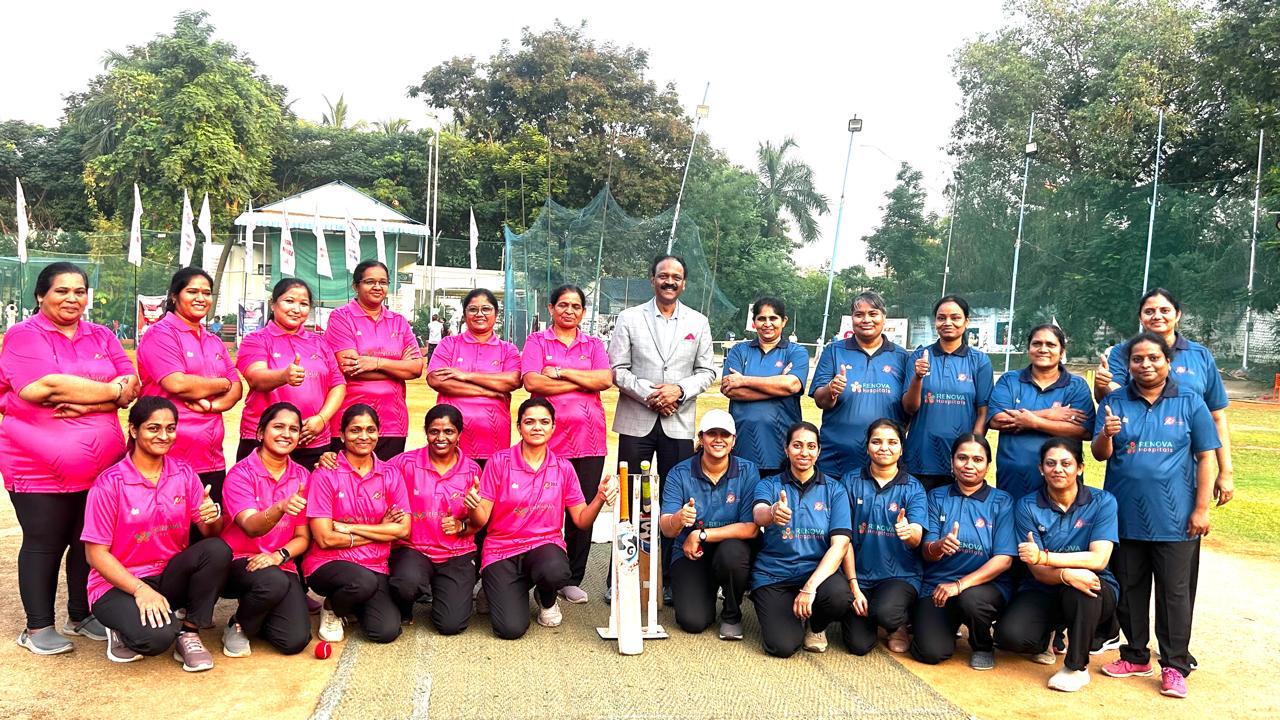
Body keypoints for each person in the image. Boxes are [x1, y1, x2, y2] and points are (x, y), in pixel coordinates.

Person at [0, 261, 138, 655]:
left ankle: (81, 614)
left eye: (79, 291)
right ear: (41, 295)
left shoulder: (102, 335)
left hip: (102, 467)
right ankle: (37, 626)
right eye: (61, 291)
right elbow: (43, 388)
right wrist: (109, 393)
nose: (72, 299)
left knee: (88, 540)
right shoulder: (24, 335)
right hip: (37, 466)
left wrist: (98, 398)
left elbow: (132, 384)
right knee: (45, 541)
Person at [1093, 332, 1218, 699]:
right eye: (1137, 359)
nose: (1145, 364)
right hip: (1125, 514)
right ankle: (1135, 655)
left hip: (1175, 518)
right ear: (1128, 364)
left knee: (1173, 594)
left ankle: (1175, 665)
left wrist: (1201, 508)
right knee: (1130, 588)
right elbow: (1100, 454)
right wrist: (1107, 434)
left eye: (1153, 358)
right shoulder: (1114, 401)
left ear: (1168, 362)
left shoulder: (1190, 401)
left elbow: (1206, 456)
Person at [82, 397, 231, 670]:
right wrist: (140, 590)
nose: (164, 436)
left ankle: (189, 632)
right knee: (156, 639)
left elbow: (211, 533)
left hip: (167, 575)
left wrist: (212, 517)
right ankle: (117, 627)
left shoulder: (184, 473)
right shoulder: (109, 484)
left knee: (217, 550)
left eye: (170, 428)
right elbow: (95, 554)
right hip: (117, 584)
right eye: (154, 428)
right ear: (133, 429)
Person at [465, 398, 617, 640]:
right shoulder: (499, 461)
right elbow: (481, 519)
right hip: (501, 550)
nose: (537, 427)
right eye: (529, 422)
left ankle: (546, 598)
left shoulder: (563, 467)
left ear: (553, 427)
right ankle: (495, 587)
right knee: (510, 629)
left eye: (544, 422)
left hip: (544, 547)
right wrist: (473, 506)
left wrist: (599, 498)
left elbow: (581, 521)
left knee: (555, 570)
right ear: (519, 427)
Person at [995, 438, 1120, 693]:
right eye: (1050, 464)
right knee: (1011, 636)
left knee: (1084, 585)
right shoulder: (1027, 505)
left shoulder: (1103, 501)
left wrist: (1046, 558)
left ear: (1080, 468)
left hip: (1093, 588)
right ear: (1041, 469)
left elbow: (1098, 560)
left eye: (1066, 463)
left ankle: (1076, 667)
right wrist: (1065, 574)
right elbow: (1038, 572)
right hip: (1043, 587)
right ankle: (1050, 633)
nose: (1058, 469)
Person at [1094, 288, 1234, 507]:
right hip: (1133, 458)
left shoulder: (1200, 355)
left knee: (1183, 519)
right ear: (1140, 317)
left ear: (1178, 315)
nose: (1157, 316)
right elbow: (1112, 398)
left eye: (1164, 310)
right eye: (1149, 311)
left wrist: (1226, 472)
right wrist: (1101, 384)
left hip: (1184, 466)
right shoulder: (1123, 352)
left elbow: (1216, 416)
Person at [520, 284, 613, 604]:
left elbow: (604, 380)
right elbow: (532, 381)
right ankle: (536, 571)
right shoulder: (537, 341)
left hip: (589, 441)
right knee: (541, 508)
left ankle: (572, 577)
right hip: (546, 442)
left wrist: (559, 372)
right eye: (563, 305)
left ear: (583, 312)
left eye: (575, 306)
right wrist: (582, 380)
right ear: (551, 308)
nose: (569, 311)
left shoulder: (594, 344)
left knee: (581, 511)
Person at [305, 404, 412, 644]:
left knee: (385, 631)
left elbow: (403, 529)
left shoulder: (391, 473)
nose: (363, 436)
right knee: (362, 583)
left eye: (370, 430)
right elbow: (325, 538)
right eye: (355, 430)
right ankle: (332, 607)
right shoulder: (325, 473)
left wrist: (350, 528)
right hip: (329, 562)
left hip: (375, 564)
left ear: (378, 433)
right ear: (342, 435)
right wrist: (381, 530)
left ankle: (351, 603)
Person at [608, 254, 716, 486]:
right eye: (663, 276)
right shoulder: (629, 318)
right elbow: (617, 369)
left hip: (679, 420)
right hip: (635, 422)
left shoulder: (698, 322)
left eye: (676, 277)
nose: (669, 282)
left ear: (684, 283)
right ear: (652, 280)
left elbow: (707, 371)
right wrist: (653, 396)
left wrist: (678, 391)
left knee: (677, 492)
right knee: (632, 492)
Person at [137, 268, 242, 506]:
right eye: (192, 291)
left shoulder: (213, 341)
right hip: (166, 458)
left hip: (211, 459)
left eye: (206, 293)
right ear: (174, 296)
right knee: (167, 525)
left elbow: (236, 390)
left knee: (210, 525)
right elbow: (177, 383)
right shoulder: (160, 334)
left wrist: (211, 406)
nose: (200, 298)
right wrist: (222, 383)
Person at [910, 434, 1016, 670]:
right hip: (938, 586)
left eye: (977, 459)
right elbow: (926, 551)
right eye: (962, 458)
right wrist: (939, 546)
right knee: (930, 652)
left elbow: (1004, 560)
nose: (969, 465)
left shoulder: (1002, 501)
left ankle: (982, 645)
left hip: (985, 587)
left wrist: (959, 585)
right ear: (952, 461)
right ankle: (948, 624)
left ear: (988, 465)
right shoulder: (936, 496)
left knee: (971, 601)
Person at [749, 421, 854, 657]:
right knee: (782, 646)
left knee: (839, 596)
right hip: (774, 574)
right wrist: (772, 512)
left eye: (810, 446)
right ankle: (786, 613)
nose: (804, 452)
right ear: (786, 449)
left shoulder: (835, 490)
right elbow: (758, 514)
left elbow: (840, 545)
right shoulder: (769, 484)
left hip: (817, 573)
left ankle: (816, 626)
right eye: (797, 445)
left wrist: (810, 587)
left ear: (819, 451)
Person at [219, 402, 313, 657]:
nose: (286, 434)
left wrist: (279, 556)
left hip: (279, 563)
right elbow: (251, 527)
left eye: (294, 429)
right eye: (278, 427)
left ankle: (260, 612)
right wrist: (280, 507)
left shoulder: (302, 476)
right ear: (260, 432)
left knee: (294, 640)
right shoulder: (241, 473)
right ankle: (239, 624)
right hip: (240, 561)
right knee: (272, 582)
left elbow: (302, 537)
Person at [659, 409, 761, 640]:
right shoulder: (679, 473)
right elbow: (666, 528)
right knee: (693, 621)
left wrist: (700, 534)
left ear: (734, 440)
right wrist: (679, 518)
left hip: (730, 550)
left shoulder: (748, 470)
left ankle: (731, 614)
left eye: (724, 434)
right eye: (712, 433)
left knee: (732, 553)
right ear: (701, 438)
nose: (718, 439)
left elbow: (750, 527)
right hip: (690, 553)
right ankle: (707, 588)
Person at [385, 404, 482, 635]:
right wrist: (332, 460)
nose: (440, 438)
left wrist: (461, 525)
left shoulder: (472, 470)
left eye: (448, 431)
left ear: (459, 434)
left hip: (456, 553)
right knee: (406, 584)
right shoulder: (404, 463)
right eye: (434, 431)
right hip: (413, 549)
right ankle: (405, 605)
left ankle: (440, 590)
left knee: (451, 625)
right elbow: (371, 471)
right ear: (426, 432)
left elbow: (479, 523)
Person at [237, 279, 346, 470]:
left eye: (303, 304)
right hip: (265, 439)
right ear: (273, 304)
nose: (296, 309)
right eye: (289, 301)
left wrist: (321, 419)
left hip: (312, 438)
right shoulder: (256, 340)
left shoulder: (319, 343)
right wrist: (283, 376)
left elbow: (338, 385)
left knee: (309, 489)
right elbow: (255, 378)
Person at [839, 418, 926, 655]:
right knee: (858, 645)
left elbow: (917, 537)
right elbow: (842, 537)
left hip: (899, 575)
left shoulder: (913, 487)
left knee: (887, 612)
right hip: (858, 575)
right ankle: (872, 616)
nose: (884, 448)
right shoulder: (849, 481)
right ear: (867, 446)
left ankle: (896, 624)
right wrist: (853, 585)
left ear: (901, 448)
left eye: (892, 442)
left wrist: (908, 533)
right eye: (876, 442)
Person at [325, 261, 424, 460]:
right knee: (348, 476)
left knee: (386, 476)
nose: (377, 287)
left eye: (383, 282)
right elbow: (349, 366)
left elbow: (416, 368)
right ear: (356, 286)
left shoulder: (398, 321)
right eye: (370, 282)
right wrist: (398, 368)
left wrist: (376, 363)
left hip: (393, 421)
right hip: (351, 419)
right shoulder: (341, 317)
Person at [987, 324, 1095, 500]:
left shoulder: (1076, 386)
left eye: (1051, 345)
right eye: (1037, 344)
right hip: (1013, 481)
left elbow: (1084, 430)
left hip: (1062, 483)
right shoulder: (1010, 380)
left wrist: (1034, 422)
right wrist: (1049, 414)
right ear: (1029, 348)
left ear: (1062, 351)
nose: (1043, 349)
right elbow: (997, 420)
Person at [810, 291, 910, 479]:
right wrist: (831, 389)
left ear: (884, 317)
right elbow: (820, 400)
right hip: (836, 460)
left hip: (885, 463)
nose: (866, 320)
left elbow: (910, 406)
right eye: (859, 314)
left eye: (873, 314)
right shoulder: (834, 351)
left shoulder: (902, 357)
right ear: (852, 319)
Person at [903, 295, 993, 490]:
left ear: (966, 321)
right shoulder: (919, 357)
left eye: (955, 317)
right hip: (920, 458)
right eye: (941, 318)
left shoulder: (979, 361)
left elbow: (983, 413)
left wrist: (971, 451)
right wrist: (918, 377)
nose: (948, 323)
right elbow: (909, 408)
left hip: (961, 463)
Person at [426, 288, 521, 465]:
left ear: (496, 314)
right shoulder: (449, 344)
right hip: (450, 435)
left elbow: (512, 380)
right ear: (464, 314)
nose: (479, 314)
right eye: (473, 309)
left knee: (490, 481)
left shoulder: (508, 349)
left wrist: (466, 375)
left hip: (493, 436)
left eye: (486, 309)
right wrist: (488, 391)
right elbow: (436, 379)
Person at [721, 296, 809, 477]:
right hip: (742, 446)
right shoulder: (739, 351)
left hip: (781, 447)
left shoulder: (796, 351)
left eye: (773, 318)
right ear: (754, 322)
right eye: (761, 318)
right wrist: (779, 385)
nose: (767, 324)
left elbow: (792, 385)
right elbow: (731, 389)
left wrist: (744, 380)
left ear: (784, 321)